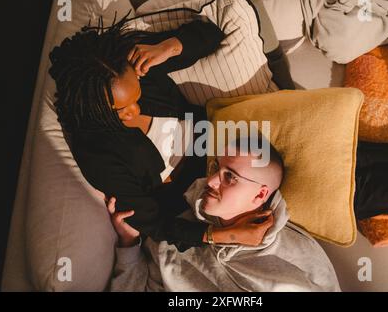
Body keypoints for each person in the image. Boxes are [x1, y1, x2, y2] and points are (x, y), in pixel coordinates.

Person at [48, 16, 272, 250]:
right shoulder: (98, 154)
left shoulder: (135, 66)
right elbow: (156, 224)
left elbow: (211, 34)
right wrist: (227, 235)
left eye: (136, 95)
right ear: (93, 110)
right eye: (120, 110)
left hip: (223, 143)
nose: (135, 110)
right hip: (196, 196)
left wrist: (168, 47)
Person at [108, 138, 341, 292]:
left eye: (230, 177)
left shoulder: (295, 254)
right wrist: (129, 244)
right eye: (215, 168)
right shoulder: (176, 230)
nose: (211, 181)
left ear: (260, 195)